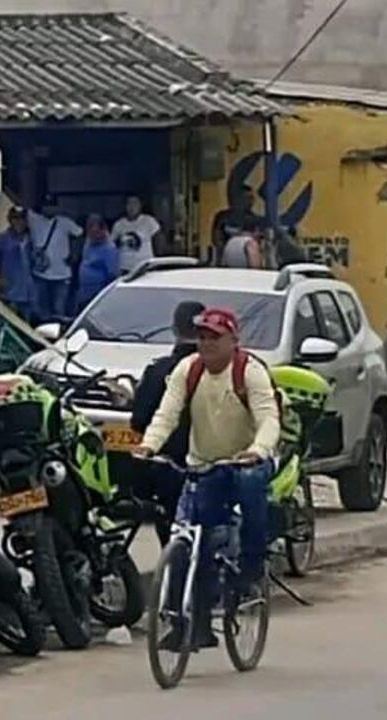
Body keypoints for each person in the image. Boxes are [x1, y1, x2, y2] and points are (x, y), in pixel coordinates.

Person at [132, 307, 280, 648]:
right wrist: (149, 446)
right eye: (201, 336)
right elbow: (166, 414)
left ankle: (253, 565)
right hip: (203, 464)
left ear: (233, 340)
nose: (207, 343)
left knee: (250, 485)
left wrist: (257, 450)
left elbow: (269, 418)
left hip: (247, 461)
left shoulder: (250, 372)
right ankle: (189, 624)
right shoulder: (188, 370)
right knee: (192, 541)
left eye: (215, 337)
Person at [129, 301, 206, 546]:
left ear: (174, 329)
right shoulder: (224, 370)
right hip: (214, 466)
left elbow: (139, 420)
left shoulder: (158, 371)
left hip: (169, 469)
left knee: (171, 531)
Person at [25, 204, 82, 321]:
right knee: (41, 312)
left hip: (62, 274)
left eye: (52, 206)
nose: (49, 209)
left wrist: (75, 253)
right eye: (47, 206)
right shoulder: (34, 219)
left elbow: (80, 234)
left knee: (58, 311)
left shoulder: (65, 222)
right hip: (40, 274)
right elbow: (21, 203)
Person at [0, 206, 35, 320]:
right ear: (10, 220)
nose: (19, 222)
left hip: (29, 293)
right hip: (9, 292)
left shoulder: (32, 238)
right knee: (5, 325)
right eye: (15, 219)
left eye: (22, 219)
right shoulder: (3, 238)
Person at [72, 213, 120, 313]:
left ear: (102, 230)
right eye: (89, 230)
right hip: (83, 292)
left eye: (94, 231)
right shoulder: (89, 242)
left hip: (97, 296)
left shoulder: (109, 248)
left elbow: (112, 275)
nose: (91, 234)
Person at [211, 184, 264, 263]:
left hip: (247, 256)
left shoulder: (254, 219)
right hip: (226, 255)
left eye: (252, 198)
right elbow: (216, 239)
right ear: (237, 198)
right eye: (247, 198)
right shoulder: (223, 217)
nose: (251, 202)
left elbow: (258, 238)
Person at [111, 196, 162, 276]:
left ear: (140, 205)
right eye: (129, 203)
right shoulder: (119, 225)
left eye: (135, 203)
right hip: (125, 268)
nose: (132, 207)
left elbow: (159, 242)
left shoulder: (149, 221)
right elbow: (113, 245)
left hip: (145, 267)